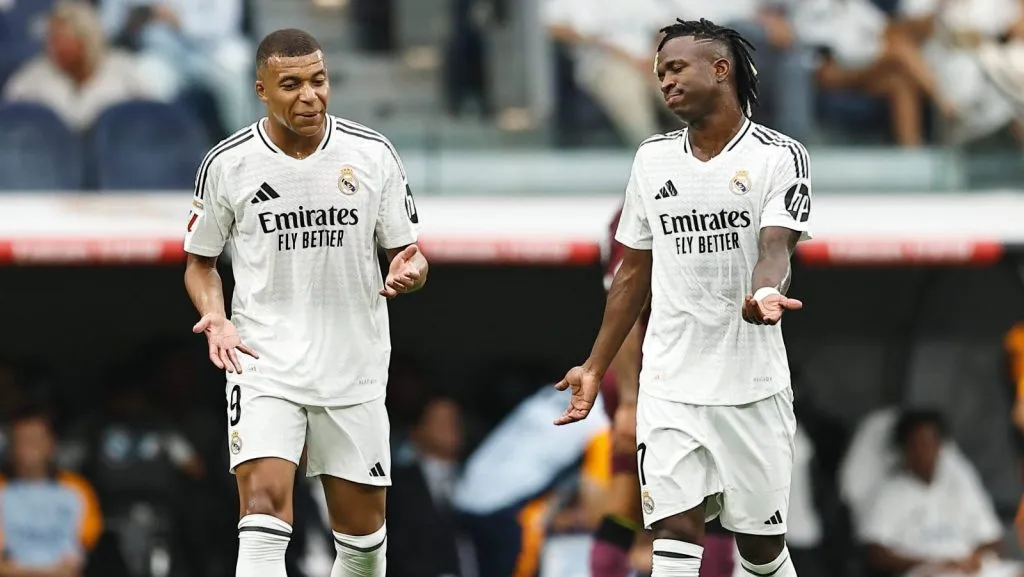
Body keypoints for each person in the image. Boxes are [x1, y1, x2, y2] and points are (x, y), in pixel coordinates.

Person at [554, 17, 813, 577]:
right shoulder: (652, 159)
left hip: (752, 387)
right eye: (659, 73)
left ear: (721, 70)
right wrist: (596, 367)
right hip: (669, 383)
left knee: (760, 550)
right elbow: (630, 275)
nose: (664, 82)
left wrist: (765, 291)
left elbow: (777, 248)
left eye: (676, 69)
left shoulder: (779, 155)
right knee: (673, 530)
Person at [182, 28, 428, 577]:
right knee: (264, 508)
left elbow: (409, 252)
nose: (310, 95)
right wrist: (216, 317)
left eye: (318, 81)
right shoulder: (230, 163)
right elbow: (200, 263)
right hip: (263, 360)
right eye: (291, 84)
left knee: (362, 546)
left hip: (354, 367)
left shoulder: (371, 154)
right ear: (262, 90)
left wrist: (412, 270)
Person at [860, 409, 1024, 577]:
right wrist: (934, 562)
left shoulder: (960, 485)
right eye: (917, 444)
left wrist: (976, 557)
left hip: (970, 566)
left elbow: (992, 540)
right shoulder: (889, 494)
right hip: (927, 570)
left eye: (930, 443)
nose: (924, 452)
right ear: (905, 448)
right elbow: (875, 554)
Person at [0, 405, 103, 577]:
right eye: (21, 441)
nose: (28, 450)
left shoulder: (76, 490)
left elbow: (78, 556)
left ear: (52, 445)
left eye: (35, 441)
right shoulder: (2, 490)